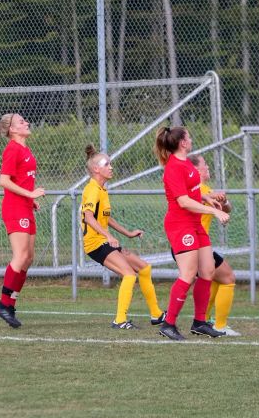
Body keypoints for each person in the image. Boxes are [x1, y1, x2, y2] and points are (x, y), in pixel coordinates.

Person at [155, 126, 229, 340]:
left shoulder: (186, 163)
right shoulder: (173, 167)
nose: (191, 139)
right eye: (189, 136)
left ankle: (199, 322)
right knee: (188, 274)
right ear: (182, 143)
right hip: (180, 224)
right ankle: (168, 324)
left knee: (207, 272)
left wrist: (207, 199)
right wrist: (214, 211)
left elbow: (193, 192)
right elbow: (183, 201)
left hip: (194, 223)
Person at [80, 144, 165, 330]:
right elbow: (88, 217)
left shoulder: (102, 190)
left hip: (103, 241)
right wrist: (109, 237)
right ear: (96, 169)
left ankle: (157, 314)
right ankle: (119, 320)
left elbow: (105, 217)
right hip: (95, 244)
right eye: (107, 164)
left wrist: (128, 233)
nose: (111, 167)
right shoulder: (92, 189)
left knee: (144, 268)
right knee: (129, 274)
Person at [0, 113, 45, 328]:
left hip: (24, 206)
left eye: (26, 120)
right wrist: (30, 194)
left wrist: (29, 199)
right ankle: (3, 305)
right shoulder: (12, 149)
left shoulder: (25, 149)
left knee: (28, 258)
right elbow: (3, 181)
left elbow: (21, 179)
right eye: (22, 122)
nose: (27, 123)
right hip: (14, 208)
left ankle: (10, 303)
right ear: (12, 130)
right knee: (20, 255)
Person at [189, 154, 241, 336]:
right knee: (228, 277)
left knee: (213, 279)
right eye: (204, 164)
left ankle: (204, 322)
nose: (208, 166)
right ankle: (219, 325)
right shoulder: (196, 190)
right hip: (194, 246)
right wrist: (214, 198)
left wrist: (223, 200)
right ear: (195, 169)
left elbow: (226, 208)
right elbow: (199, 198)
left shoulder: (204, 189)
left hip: (200, 245)